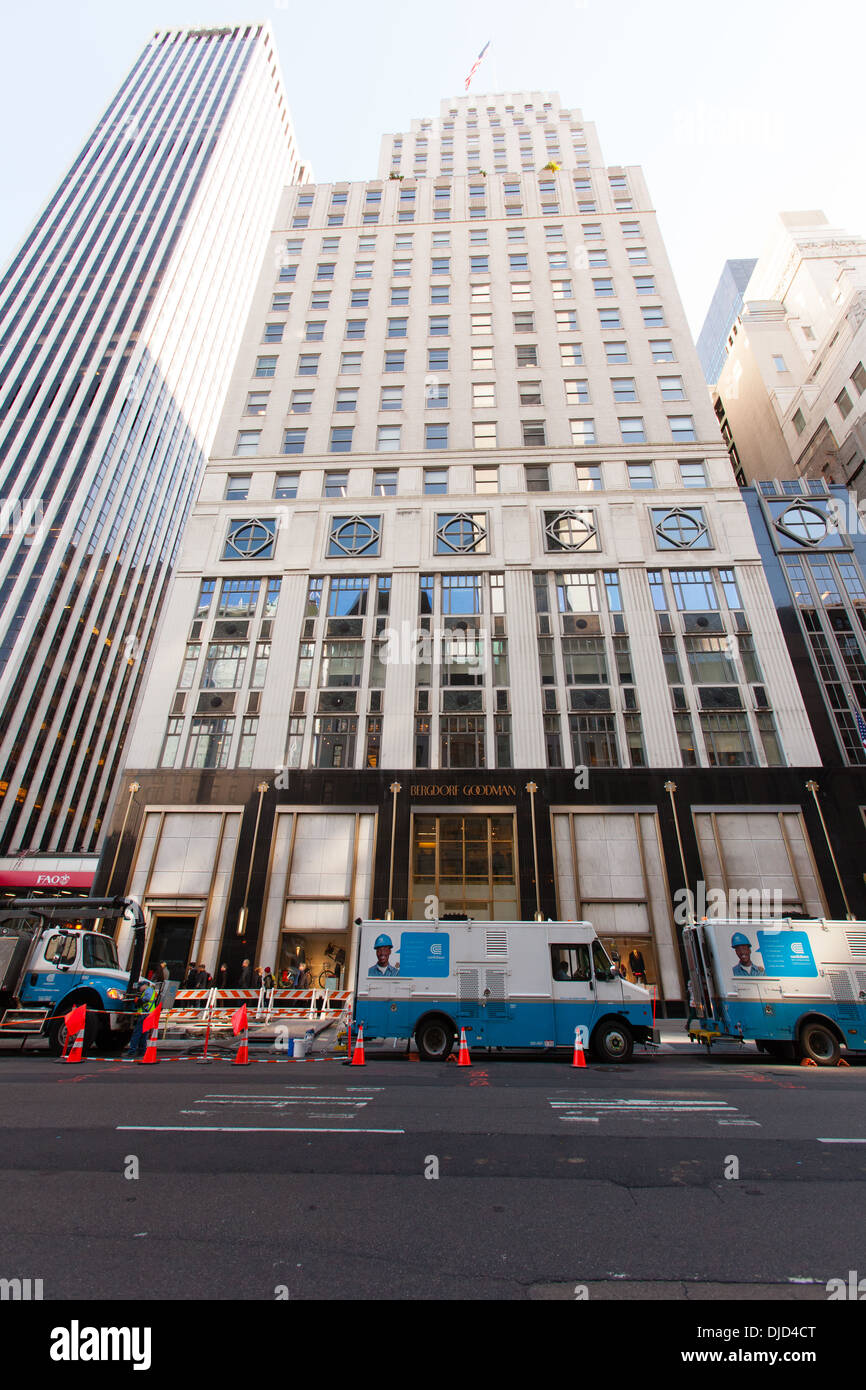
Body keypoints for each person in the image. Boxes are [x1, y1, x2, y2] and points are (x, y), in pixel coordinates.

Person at [123, 979, 159, 1060]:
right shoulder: (150, 990)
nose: (139, 988)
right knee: (143, 1033)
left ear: (144, 985)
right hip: (147, 1014)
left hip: (144, 1014)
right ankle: (141, 1051)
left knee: (137, 1033)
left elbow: (146, 1000)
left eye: (140, 987)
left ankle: (132, 1051)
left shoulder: (148, 990)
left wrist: (138, 1000)